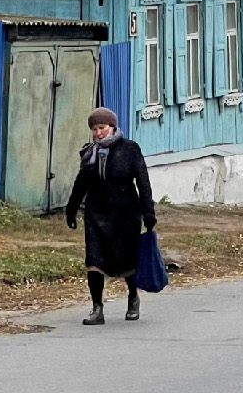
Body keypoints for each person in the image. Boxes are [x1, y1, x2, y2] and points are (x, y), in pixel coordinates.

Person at [66, 107, 155, 325]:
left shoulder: (130, 149)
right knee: (94, 261)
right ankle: (97, 309)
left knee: (127, 260)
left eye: (102, 128)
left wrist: (148, 212)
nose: (98, 133)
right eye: (94, 129)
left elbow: (143, 182)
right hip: (96, 213)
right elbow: (81, 183)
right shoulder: (90, 153)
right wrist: (71, 208)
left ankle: (133, 297)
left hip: (125, 214)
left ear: (112, 127)